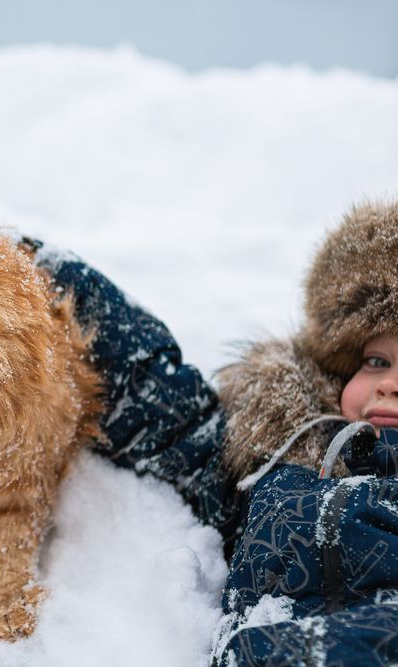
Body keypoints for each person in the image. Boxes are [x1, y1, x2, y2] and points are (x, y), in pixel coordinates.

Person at [32, 199, 398, 665]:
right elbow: (167, 418)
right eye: (376, 362)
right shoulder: (284, 461)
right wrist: (41, 272)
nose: (389, 383)